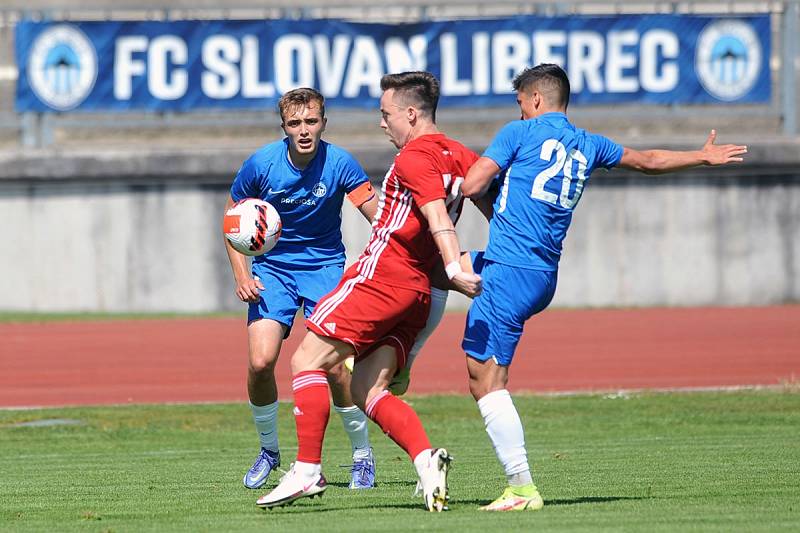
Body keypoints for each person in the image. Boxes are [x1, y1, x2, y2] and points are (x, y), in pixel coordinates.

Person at [459, 63, 748, 512]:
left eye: (519, 102)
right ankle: (398, 357)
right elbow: (648, 161)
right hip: (540, 274)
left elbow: (473, 182)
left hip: (510, 271)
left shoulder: (518, 135)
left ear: (535, 100)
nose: (517, 111)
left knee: (485, 381)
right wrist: (700, 155)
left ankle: (521, 487)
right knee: (443, 267)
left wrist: (451, 189)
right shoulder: (589, 143)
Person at [255, 71, 482, 512]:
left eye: (386, 114)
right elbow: (494, 203)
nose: (382, 123)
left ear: (411, 114)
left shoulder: (414, 157)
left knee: (306, 360)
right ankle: (425, 460)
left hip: (383, 275)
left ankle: (306, 470)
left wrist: (455, 264)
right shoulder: (462, 156)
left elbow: (438, 219)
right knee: (366, 387)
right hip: (418, 291)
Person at [223, 87, 380, 492]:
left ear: (323, 123)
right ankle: (269, 451)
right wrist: (242, 274)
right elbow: (232, 219)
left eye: (311, 121)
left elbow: (377, 216)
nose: (304, 130)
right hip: (272, 270)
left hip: (325, 269)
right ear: (284, 128)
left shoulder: (341, 162)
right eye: (295, 123)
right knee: (261, 362)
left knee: (332, 366)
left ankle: (362, 455)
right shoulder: (261, 164)